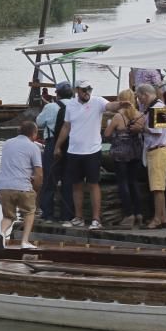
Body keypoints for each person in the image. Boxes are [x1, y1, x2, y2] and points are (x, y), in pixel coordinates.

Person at [56, 80, 131, 230]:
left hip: (92, 150)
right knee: (76, 184)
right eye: (84, 90)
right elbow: (66, 126)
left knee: (93, 184)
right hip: (74, 150)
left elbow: (110, 106)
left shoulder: (97, 101)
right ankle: (78, 217)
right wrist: (57, 146)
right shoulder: (70, 105)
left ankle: (96, 219)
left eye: (89, 89)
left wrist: (120, 104)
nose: (87, 92)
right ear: (77, 90)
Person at [0, 120, 44, 250]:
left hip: (2, 187)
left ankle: (2, 234)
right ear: (34, 133)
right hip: (22, 186)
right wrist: (37, 189)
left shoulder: (7, 143)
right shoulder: (34, 147)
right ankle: (25, 241)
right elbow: (39, 174)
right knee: (29, 211)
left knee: (8, 216)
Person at [103, 89, 144, 228]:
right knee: (134, 182)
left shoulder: (118, 117)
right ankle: (139, 213)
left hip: (121, 153)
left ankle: (128, 215)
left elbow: (107, 134)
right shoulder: (139, 115)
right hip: (136, 152)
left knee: (123, 183)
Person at [136, 83, 166, 229]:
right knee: (159, 187)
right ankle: (162, 217)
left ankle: (157, 218)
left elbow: (155, 131)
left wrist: (140, 128)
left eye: (139, 98)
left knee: (157, 187)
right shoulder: (159, 106)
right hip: (161, 149)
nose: (140, 101)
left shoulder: (155, 109)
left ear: (145, 94)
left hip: (158, 149)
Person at [36, 81, 74, 223]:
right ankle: (67, 216)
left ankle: (48, 214)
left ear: (57, 94)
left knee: (50, 180)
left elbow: (39, 122)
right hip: (72, 146)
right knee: (68, 180)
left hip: (53, 143)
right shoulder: (76, 106)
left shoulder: (51, 106)